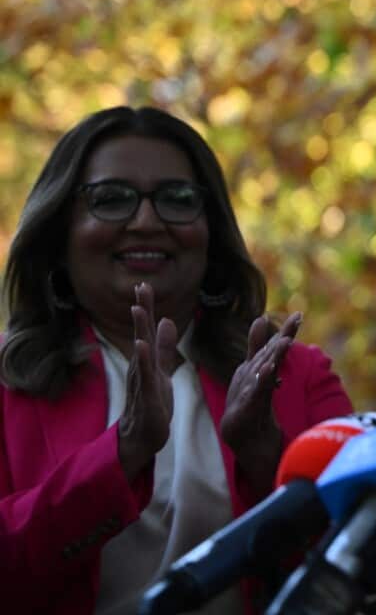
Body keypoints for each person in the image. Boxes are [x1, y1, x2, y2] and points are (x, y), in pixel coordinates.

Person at [0, 106, 354, 614]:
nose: (146, 221)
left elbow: (359, 560)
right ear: (59, 232)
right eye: (111, 199)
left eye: (177, 199)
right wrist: (120, 456)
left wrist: (266, 455)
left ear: (211, 233)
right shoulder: (7, 382)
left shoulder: (298, 377)